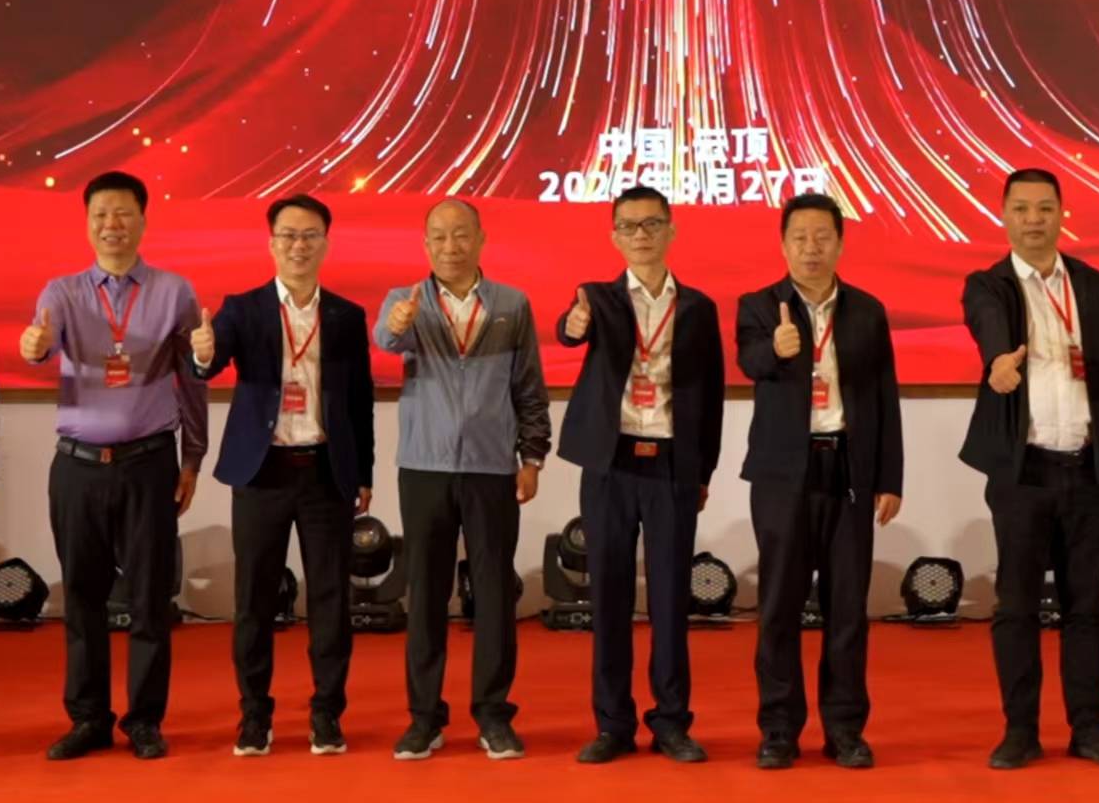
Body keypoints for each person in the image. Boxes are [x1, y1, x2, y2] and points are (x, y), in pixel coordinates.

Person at [19, 169, 207, 761]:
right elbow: (42, 342)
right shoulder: (62, 292)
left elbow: (192, 380)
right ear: (87, 223)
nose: (112, 224)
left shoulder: (174, 292)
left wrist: (192, 458)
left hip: (149, 463)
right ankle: (88, 719)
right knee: (83, 599)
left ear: (143, 220)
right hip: (77, 468)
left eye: (123, 212)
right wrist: (33, 347)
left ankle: (144, 720)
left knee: (150, 600)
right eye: (100, 214)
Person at [959, 167, 1099, 772]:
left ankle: (1089, 727)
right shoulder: (989, 285)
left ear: (1063, 214)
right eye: (1021, 209)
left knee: (1085, 605)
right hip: (1023, 473)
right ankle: (1020, 730)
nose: (1033, 219)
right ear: (1004, 216)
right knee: (1016, 606)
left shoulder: (1096, 287)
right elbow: (988, 327)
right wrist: (998, 363)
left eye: (1044, 208)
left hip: (1087, 470)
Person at [193, 194, 374, 758]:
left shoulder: (346, 315)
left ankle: (327, 713)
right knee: (254, 599)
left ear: (326, 243)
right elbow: (211, 361)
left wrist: (363, 471)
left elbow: (360, 400)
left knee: (330, 600)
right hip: (262, 472)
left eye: (310, 235)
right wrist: (202, 354)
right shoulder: (243, 309)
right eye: (289, 235)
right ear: (271, 243)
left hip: (325, 471)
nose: (299, 245)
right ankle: (254, 714)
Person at [373, 198, 551, 762]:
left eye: (460, 235)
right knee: (425, 593)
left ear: (480, 239)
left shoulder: (510, 304)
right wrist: (397, 327)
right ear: (425, 244)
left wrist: (532, 457)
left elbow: (529, 387)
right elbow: (385, 340)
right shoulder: (405, 302)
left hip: (492, 468)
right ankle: (424, 718)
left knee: (494, 593)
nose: (450, 246)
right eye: (438, 236)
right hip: (423, 468)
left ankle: (494, 715)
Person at [555, 185, 725, 765]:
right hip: (611, 463)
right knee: (608, 596)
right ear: (614, 237)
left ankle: (672, 722)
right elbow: (569, 328)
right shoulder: (598, 298)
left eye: (652, 224)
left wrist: (703, 470)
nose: (641, 235)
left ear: (671, 230)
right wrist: (573, 323)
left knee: (672, 599)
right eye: (629, 226)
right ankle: (613, 724)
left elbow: (711, 392)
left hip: (672, 465)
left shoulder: (698, 307)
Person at [734, 193, 902, 771]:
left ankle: (845, 729)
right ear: (783, 245)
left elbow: (884, 397)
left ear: (840, 243)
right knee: (779, 606)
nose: (811, 248)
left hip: (848, 470)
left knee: (847, 608)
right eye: (800, 237)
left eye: (822, 237)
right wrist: (776, 351)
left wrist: (889, 477)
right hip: (783, 475)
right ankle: (779, 729)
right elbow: (749, 361)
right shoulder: (760, 306)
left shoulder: (867, 311)